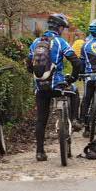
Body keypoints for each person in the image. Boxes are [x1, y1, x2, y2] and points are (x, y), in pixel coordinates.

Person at [27, 13, 82, 162]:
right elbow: (76, 63)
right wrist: (72, 78)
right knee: (74, 90)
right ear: (59, 28)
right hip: (58, 85)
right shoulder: (60, 42)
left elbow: (29, 65)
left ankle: (40, 152)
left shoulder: (36, 42)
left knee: (41, 120)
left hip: (41, 87)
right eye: (63, 28)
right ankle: (74, 120)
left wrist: (40, 76)